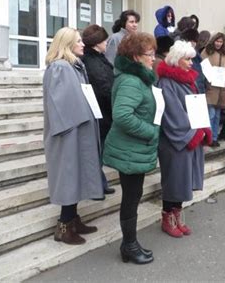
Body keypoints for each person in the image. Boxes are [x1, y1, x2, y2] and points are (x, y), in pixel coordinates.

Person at [43, 27, 103, 245]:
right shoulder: (60, 68)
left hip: (78, 132)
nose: (82, 44)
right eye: (78, 41)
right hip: (68, 135)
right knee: (69, 178)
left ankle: (73, 220)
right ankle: (63, 226)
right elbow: (60, 106)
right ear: (66, 44)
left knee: (76, 177)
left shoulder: (74, 67)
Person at [103, 32, 159, 264]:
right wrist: (151, 131)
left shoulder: (137, 78)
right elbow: (122, 115)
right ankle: (129, 245)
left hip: (134, 149)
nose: (154, 58)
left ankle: (130, 244)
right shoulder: (131, 80)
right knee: (130, 198)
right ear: (136, 57)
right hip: (130, 150)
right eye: (150, 54)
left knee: (133, 196)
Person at [156, 40, 212, 238]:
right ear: (176, 59)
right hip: (176, 141)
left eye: (191, 59)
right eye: (187, 59)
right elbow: (172, 113)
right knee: (174, 180)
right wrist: (193, 134)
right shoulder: (166, 82)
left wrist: (202, 128)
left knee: (184, 180)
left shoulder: (188, 80)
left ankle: (177, 214)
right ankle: (167, 217)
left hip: (190, 137)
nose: (191, 63)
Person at [81, 24, 115, 196]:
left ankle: (100, 183)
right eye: (104, 40)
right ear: (96, 43)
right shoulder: (93, 62)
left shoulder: (98, 58)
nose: (107, 42)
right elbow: (104, 89)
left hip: (103, 113)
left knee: (98, 152)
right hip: (100, 114)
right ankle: (96, 186)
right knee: (96, 153)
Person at [201, 32, 225, 147]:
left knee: (217, 115)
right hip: (210, 87)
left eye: (221, 42)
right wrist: (209, 76)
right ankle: (207, 137)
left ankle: (214, 137)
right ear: (213, 41)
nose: (218, 43)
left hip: (221, 88)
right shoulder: (206, 52)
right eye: (217, 41)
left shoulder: (224, 54)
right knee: (211, 114)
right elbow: (202, 65)